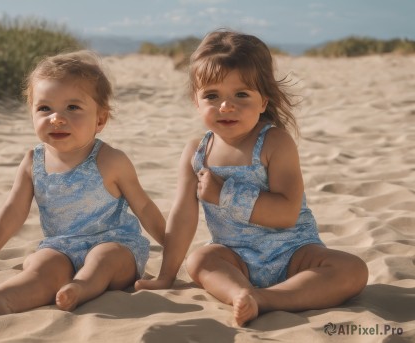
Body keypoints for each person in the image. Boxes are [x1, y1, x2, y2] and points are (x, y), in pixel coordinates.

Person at [135, 30, 368, 326]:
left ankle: (267, 298)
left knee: (352, 270)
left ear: (263, 101)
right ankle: (240, 293)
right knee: (201, 260)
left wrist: (224, 195)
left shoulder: (275, 143)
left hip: (294, 252)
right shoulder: (197, 152)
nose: (226, 106)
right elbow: (183, 217)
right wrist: (166, 275)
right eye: (212, 95)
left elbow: (286, 213)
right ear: (196, 101)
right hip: (236, 259)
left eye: (241, 94)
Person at [0, 50, 165, 314]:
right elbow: (14, 210)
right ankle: (3, 298)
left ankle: (81, 288)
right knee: (42, 267)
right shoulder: (33, 162)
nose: (56, 118)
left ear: (100, 119)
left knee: (103, 259)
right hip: (61, 246)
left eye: (73, 107)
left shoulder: (111, 160)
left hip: (116, 244)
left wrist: (170, 244)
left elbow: (143, 207)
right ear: (32, 114)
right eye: (45, 108)